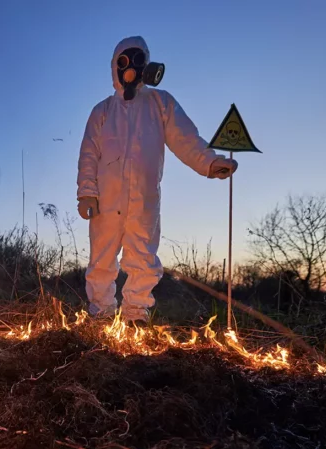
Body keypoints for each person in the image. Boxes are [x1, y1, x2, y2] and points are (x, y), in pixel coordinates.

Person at [77, 36, 237, 323]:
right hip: (106, 197)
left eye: (138, 60)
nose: (131, 68)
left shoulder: (160, 103)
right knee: (101, 258)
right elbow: (88, 153)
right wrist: (87, 193)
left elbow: (185, 138)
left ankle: (136, 314)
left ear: (147, 65)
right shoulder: (102, 111)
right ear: (115, 67)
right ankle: (100, 314)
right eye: (124, 61)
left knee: (142, 257)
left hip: (144, 198)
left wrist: (209, 162)